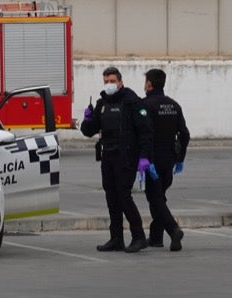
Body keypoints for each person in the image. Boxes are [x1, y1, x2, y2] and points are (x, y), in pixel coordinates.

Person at [80, 66, 155, 253]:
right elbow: (89, 131)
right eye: (106, 81)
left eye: (112, 81)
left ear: (120, 82)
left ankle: (138, 236)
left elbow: (146, 132)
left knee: (123, 196)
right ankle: (116, 238)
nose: (109, 84)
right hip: (108, 156)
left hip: (127, 156)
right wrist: (87, 119)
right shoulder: (102, 103)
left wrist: (145, 157)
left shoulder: (132, 102)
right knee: (111, 197)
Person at [142, 68, 190, 251]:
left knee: (154, 199)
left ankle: (173, 229)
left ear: (149, 84)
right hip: (169, 160)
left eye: (146, 81)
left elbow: (145, 135)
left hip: (153, 159)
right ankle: (156, 237)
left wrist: (145, 158)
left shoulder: (146, 105)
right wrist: (180, 158)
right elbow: (184, 134)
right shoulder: (174, 105)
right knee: (159, 197)